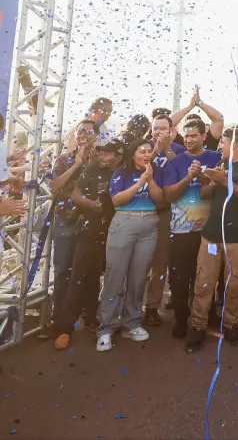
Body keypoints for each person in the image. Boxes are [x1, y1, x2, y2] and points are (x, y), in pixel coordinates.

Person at [184, 128, 238, 351]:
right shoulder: (220, 165)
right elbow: (204, 195)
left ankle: (230, 325)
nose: (220, 148)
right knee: (203, 282)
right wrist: (206, 178)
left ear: (236, 144)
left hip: (237, 238)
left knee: (235, 285)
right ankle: (197, 327)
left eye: (223, 143)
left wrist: (224, 179)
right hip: (211, 236)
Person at [53, 139, 125, 350]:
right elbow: (75, 194)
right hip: (90, 230)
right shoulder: (93, 168)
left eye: (107, 153)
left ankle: (95, 319)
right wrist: (92, 205)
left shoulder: (127, 171)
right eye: (101, 152)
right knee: (79, 276)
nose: (102, 156)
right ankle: (65, 328)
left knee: (103, 277)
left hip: (119, 231)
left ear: (119, 156)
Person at [96, 139, 164, 352]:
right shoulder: (121, 172)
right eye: (141, 150)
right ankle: (106, 327)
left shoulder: (156, 171)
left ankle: (131, 323)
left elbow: (160, 200)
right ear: (132, 154)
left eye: (149, 150)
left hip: (149, 225)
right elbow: (116, 200)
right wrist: (138, 183)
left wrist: (150, 180)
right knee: (115, 275)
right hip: (124, 223)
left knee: (138, 276)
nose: (146, 154)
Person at [162, 119, 222, 338]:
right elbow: (169, 195)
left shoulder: (216, 158)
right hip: (181, 232)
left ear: (204, 136)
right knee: (180, 277)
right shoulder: (175, 163)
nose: (189, 140)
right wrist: (189, 176)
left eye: (194, 135)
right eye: (186, 136)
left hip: (210, 231)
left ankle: (207, 312)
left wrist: (203, 176)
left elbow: (221, 187)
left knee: (208, 275)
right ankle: (180, 316)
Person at [49, 120, 98, 327]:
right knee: (62, 270)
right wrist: (76, 164)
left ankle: (89, 314)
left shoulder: (100, 160)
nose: (83, 135)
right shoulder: (62, 159)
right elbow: (54, 186)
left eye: (88, 132)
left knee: (90, 270)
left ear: (96, 136)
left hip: (91, 223)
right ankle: (58, 316)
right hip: (64, 221)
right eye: (80, 132)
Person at [143, 114, 186, 326]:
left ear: (171, 131)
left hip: (165, 212)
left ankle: (152, 306)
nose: (159, 132)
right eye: (155, 128)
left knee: (160, 263)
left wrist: (167, 149)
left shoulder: (178, 149)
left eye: (163, 128)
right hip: (141, 210)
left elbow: (182, 171)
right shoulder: (143, 147)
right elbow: (137, 168)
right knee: (138, 263)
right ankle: (127, 307)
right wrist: (154, 151)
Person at [170, 85, 225, 151]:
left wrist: (200, 103)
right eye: (189, 126)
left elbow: (219, 119)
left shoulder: (210, 139)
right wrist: (190, 107)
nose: (190, 139)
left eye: (195, 125)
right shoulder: (182, 142)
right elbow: (168, 124)